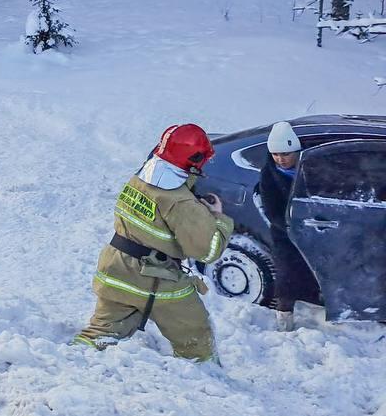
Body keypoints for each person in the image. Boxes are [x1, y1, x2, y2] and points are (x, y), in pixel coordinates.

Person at [73, 124, 235, 362]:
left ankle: (70, 362)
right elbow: (207, 251)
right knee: (196, 337)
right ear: (194, 160)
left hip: (115, 270)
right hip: (156, 279)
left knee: (100, 334)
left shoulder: (138, 179)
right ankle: (203, 377)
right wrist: (218, 219)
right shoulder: (181, 202)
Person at [256, 121, 305, 331]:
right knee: (286, 275)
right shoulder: (269, 175)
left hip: (313, 227)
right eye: (275, 154)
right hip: (285, 233)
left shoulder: (309, 167)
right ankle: (285, 319)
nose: (280, 159)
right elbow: (272, 210)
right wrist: (290, 228)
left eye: (285, 154)